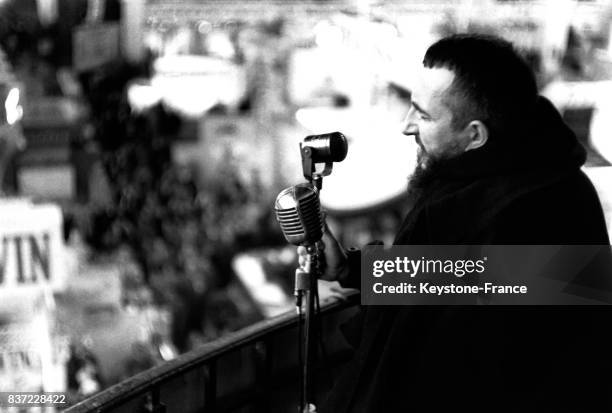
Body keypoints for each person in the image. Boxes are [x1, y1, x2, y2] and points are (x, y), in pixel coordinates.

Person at [304, 34, 612, 412]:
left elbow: (447, 357)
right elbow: (483, 278)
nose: (406, 125)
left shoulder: (493, 209)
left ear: (475, 135)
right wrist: (354, 270)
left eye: (424, 114)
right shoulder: (558, 183)